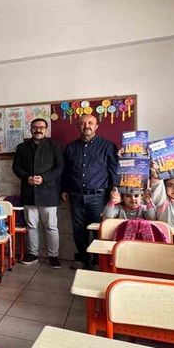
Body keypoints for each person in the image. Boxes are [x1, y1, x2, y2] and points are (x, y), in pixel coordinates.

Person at [60, 114, 118, 269]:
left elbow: (114, 170)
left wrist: (115, 189)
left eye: (90, 123)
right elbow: (66, 171)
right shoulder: (71, 147)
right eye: (83, 123)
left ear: (96, 126)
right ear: (78, 126)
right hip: (76, 196)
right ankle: (85, 260)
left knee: (99, 229)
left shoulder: (108, 146)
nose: (87, 126)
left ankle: (99, 262)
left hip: (99, 197)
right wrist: (64, 189)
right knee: (79, 231)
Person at [12, 119, 64, 268]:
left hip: (49, 193)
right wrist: (26, 178)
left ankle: (53, 256)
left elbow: (59, 167)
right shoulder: (21, 147)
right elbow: (16, 167)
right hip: (29, 192)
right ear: (30, 130)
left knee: (51, 227)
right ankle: (32, 254)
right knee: (31, 226)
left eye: (41, 127)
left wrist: (44, 178)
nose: (38, 130)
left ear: (46, 130)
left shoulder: (54, 146)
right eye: (35, 127)